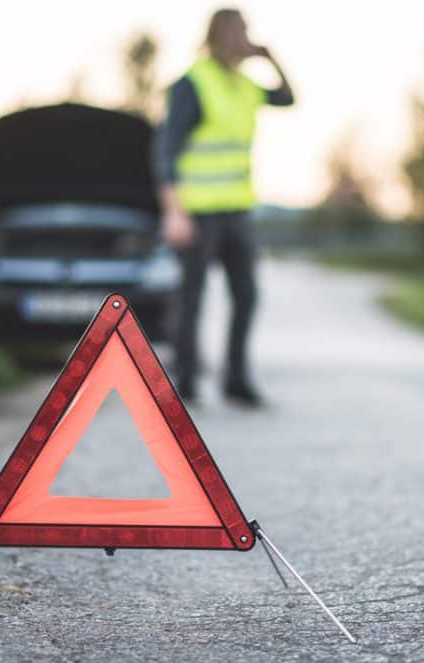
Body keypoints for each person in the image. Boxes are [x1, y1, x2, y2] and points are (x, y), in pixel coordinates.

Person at [154, 8, 294, 407]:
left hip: (237, 210)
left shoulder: (246, 86)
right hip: (196, 212)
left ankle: (235, 378)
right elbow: (165, 151)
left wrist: (271, 58)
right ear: (219, 35)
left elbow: (288, 98)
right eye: (238, 33)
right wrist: (173, 211)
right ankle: (185, 379)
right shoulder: (192, 84)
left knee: (246, 296)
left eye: (247, 32)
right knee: (192, 297)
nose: (243, 39)